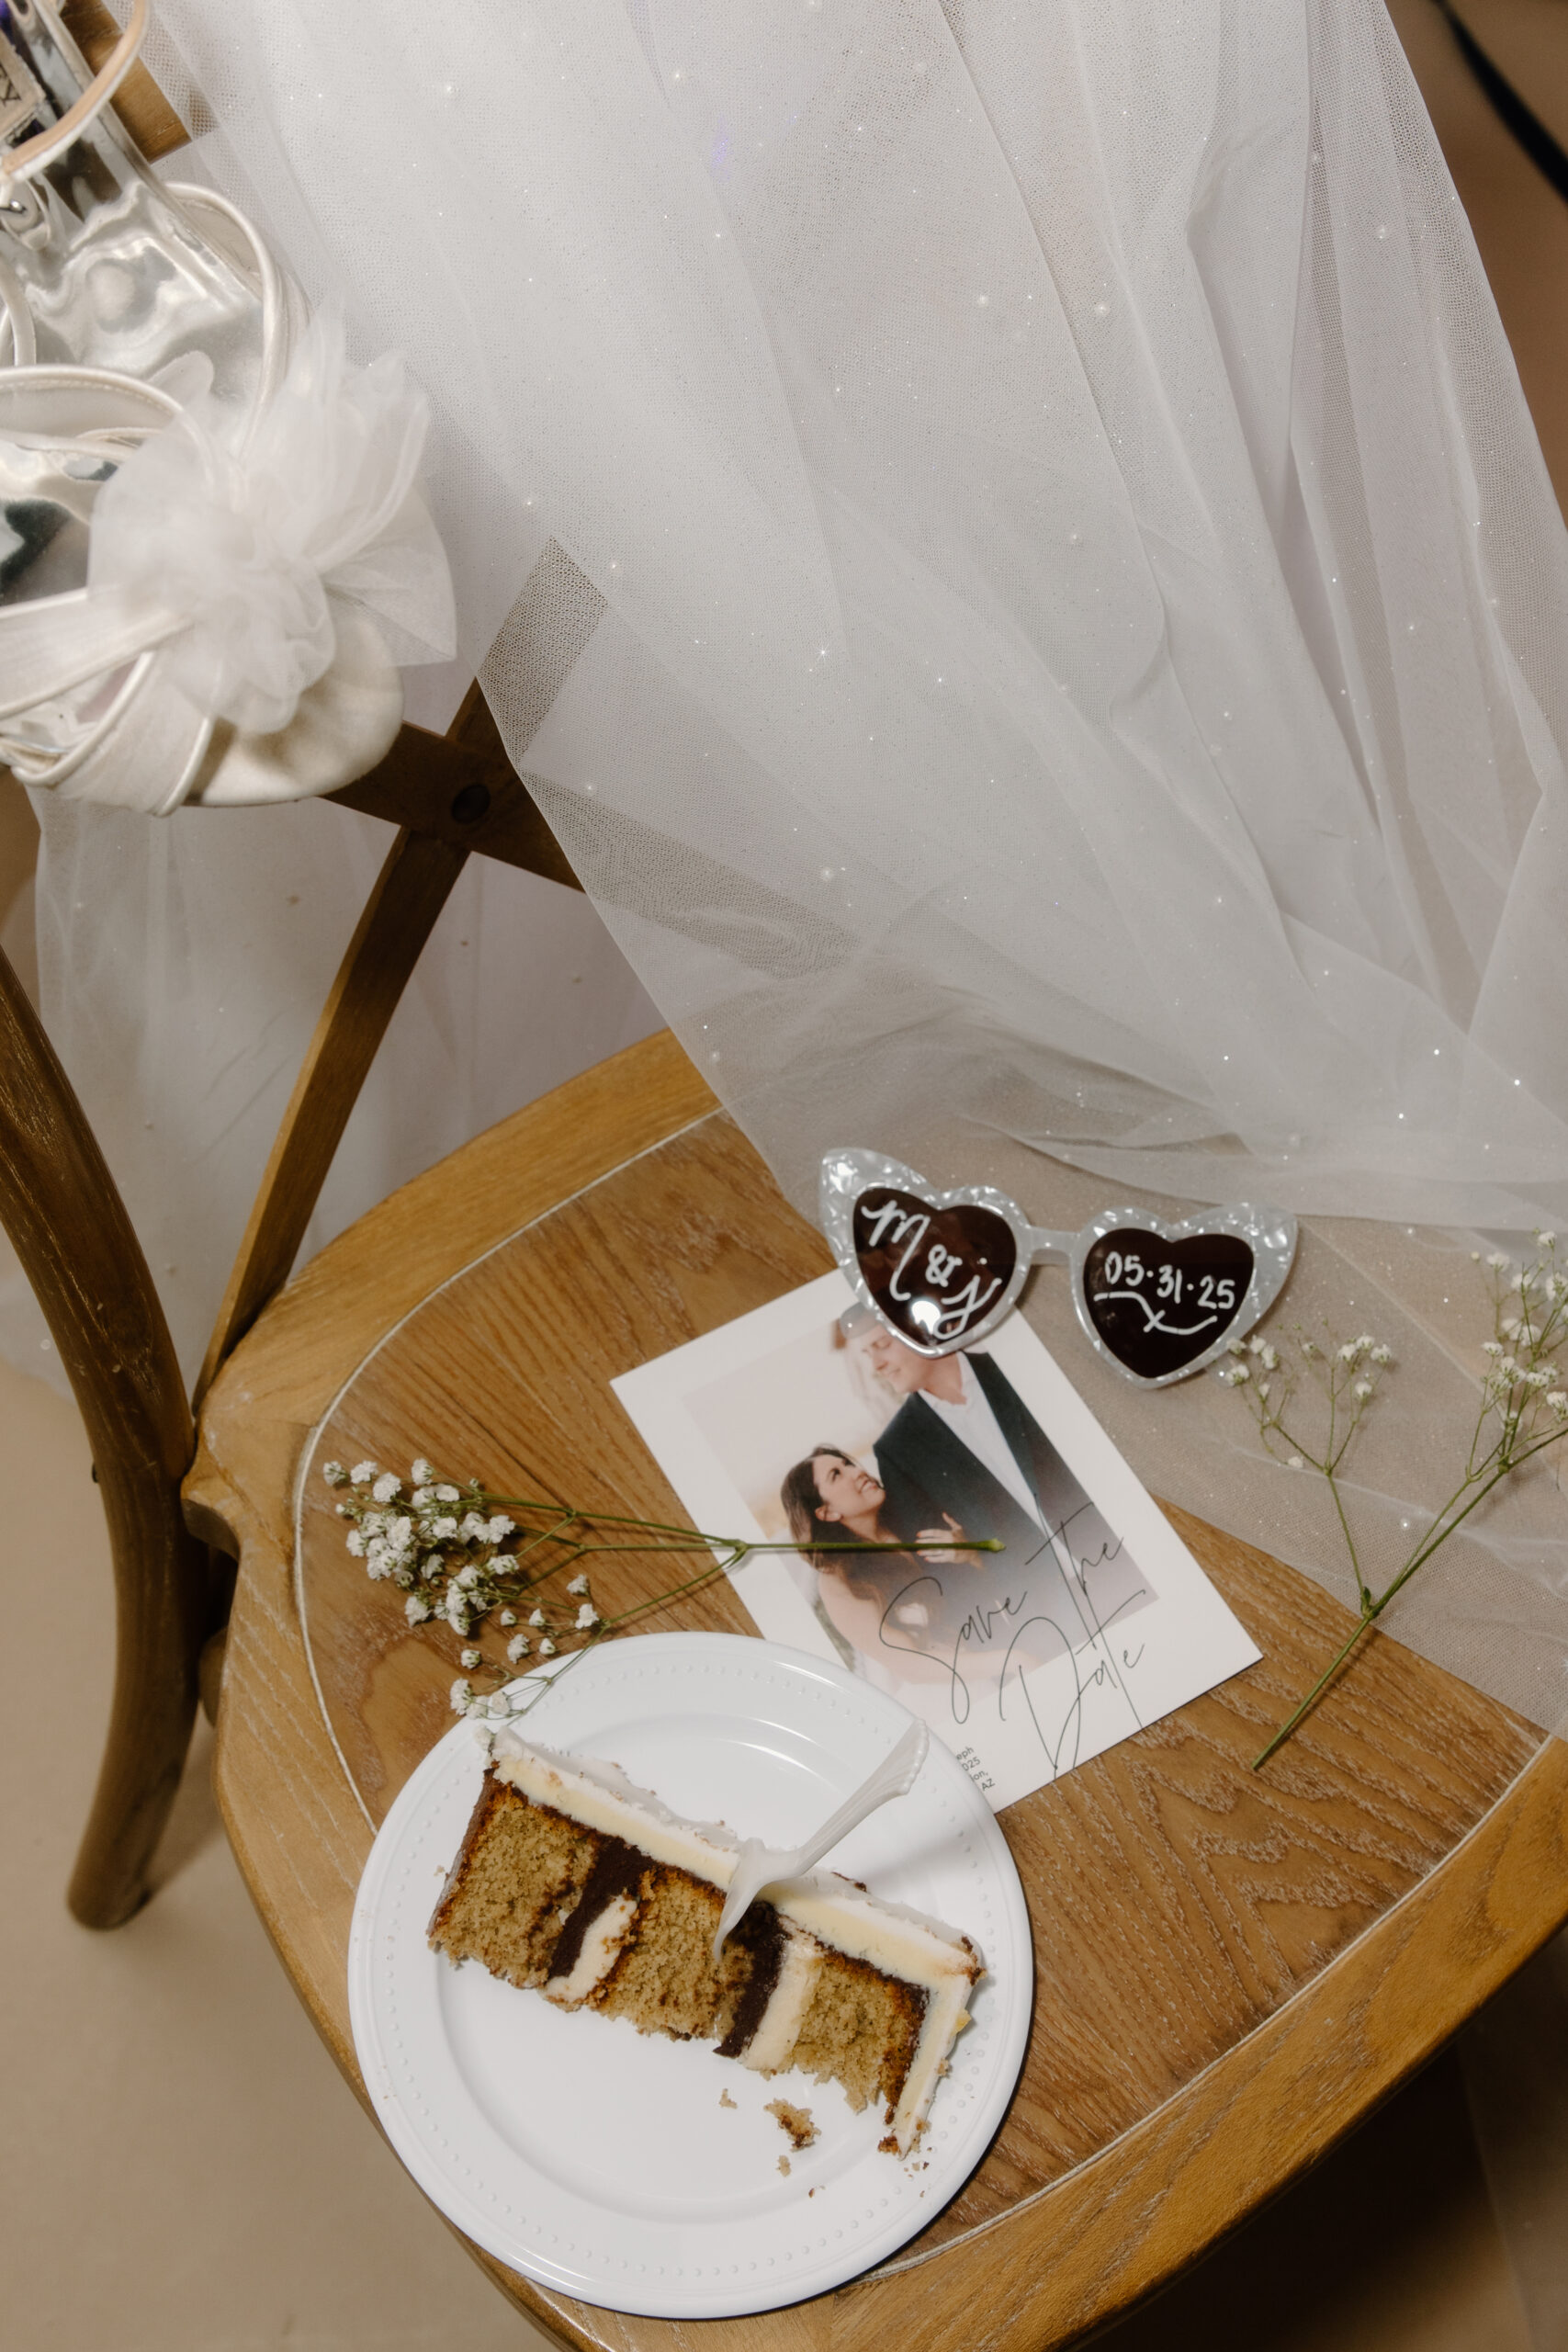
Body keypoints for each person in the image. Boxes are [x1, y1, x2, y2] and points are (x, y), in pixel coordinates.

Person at [846, 1315, 1148, 1645]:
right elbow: (947, 1577)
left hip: (1135, 1556)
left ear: (918, 1329)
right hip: (1049, 1620)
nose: (876, 1365)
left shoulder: (1018, 1368)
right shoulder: (896, 1449)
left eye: (882, 1345)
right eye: (867, 1354)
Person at [779, 1443, 1059, 1695]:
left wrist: (971, 1554)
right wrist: (1011, 1660)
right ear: (826, 1513)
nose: (856, 1471)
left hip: (1007, 1653)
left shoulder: (909, 1519)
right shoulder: (837, 1583)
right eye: (836, 1475)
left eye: (848, 1463)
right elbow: (909, 1665)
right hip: (952, 1692)